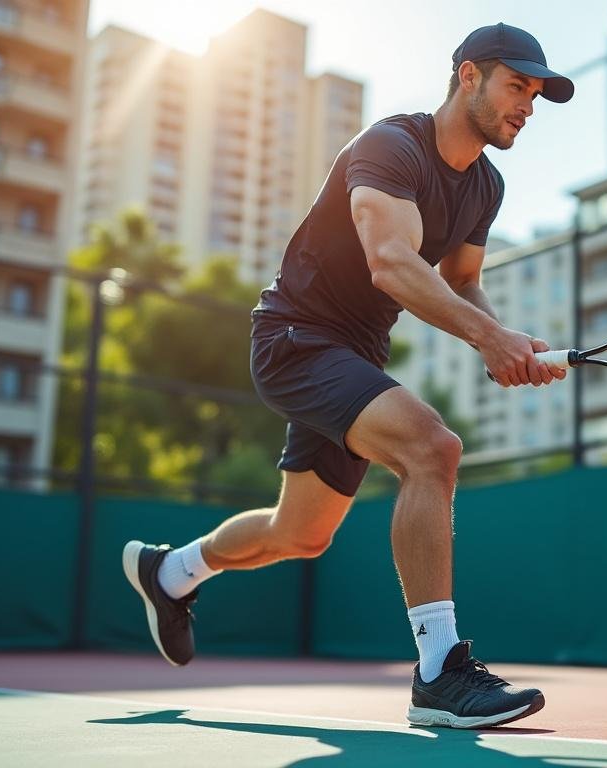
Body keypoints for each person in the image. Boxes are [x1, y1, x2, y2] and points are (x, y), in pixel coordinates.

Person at [121, 23, 573, 729]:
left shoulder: (486, 186)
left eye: (537, 94)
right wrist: (489, 339)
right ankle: (439, 673)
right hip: (296, 339)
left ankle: (170, 571)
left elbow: (462, 281)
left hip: (355, 357)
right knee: (433, 447)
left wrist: (511, 343)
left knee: (301, 533)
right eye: (517, 86)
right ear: (467, 76)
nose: (527, 105)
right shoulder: (390, 147)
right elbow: (391, 262)